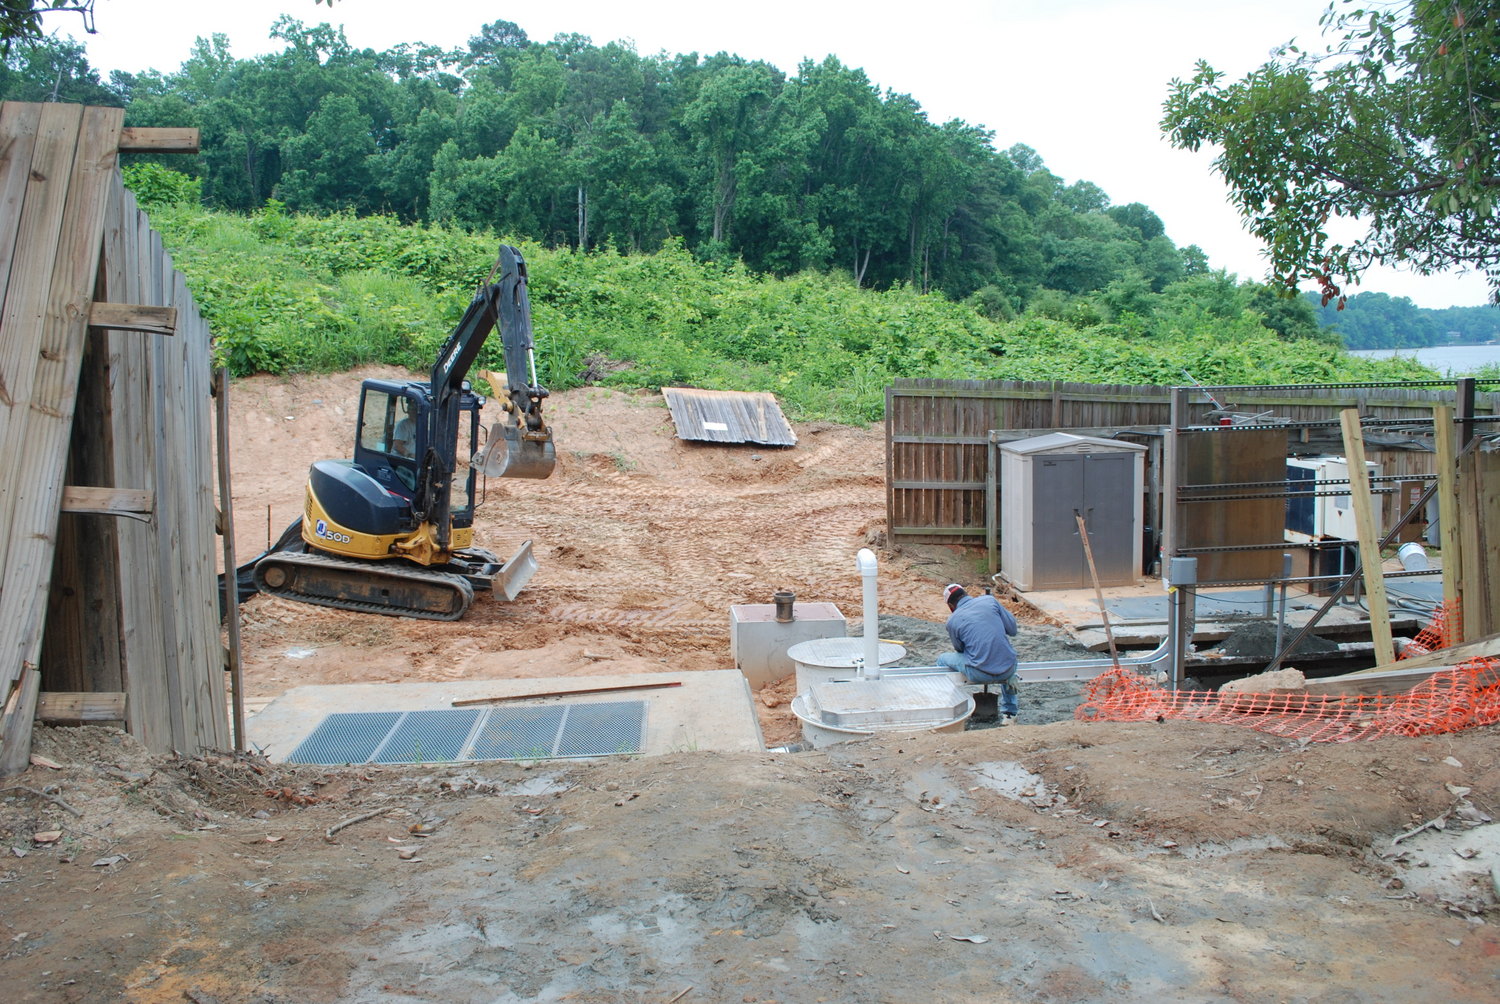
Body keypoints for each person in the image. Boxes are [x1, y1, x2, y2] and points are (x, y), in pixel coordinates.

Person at [937, 583, 1021, 723]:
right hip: (1009, 669)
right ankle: (1010, 714)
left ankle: (950, 706)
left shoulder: (953, 620)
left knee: (941, 659)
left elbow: (960, 650)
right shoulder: (990, 601)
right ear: (966, 593)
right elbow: (1012, 630)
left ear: (951, 606)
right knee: (1005, 654)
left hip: (978, 673)